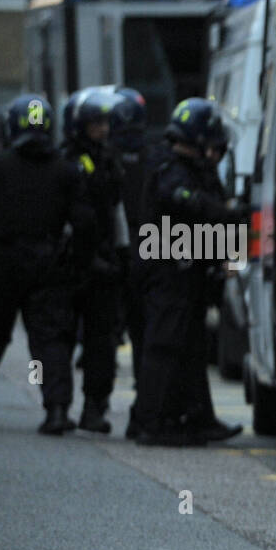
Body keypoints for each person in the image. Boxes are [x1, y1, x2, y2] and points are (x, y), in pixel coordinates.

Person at [136, 98, 245, 446]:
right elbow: (190, 204)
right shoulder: (169, 168)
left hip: (192, 274)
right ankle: (151, 422)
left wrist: (230, 255)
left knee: (193, 349)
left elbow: (217, 219)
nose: (215, 152)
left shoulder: (198, 169)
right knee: (164, 347)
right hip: (169, 273)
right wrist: (229, 215)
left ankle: (198, 418)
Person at [0, 94, 94, 433]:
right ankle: (57, 409)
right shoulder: (65, 169)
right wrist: (80, 263)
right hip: (48, 265)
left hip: (1, 264)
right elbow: (85, 222)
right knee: (50, 341)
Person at [63, 88, 127, 434]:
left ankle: (94, 407)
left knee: (102, 342)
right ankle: (57, 406)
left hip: (102, 263)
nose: (103, 129)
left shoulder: (108, 159)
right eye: (95, 123)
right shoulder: (67, 161)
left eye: (105, 122)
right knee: (59, 339)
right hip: (72, 263)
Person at [107, 87, 153, 439]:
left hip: (110, 258)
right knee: (143, 336)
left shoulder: (104, 158)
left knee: (104, 334)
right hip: (148, 254)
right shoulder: (155, 157)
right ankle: (143, 409)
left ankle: (95, 407)